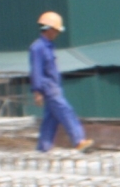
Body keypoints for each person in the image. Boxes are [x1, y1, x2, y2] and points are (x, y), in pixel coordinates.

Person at [28, 12, 88, 153]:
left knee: (51, 119)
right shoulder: (37, 47)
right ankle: (78, 140)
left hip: (54, 87)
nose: (57, 34)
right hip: (48, 87)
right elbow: (36, 70)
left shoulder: (49, 46)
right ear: (48, 29)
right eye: (55, 30)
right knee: (66, 111)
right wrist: (37, 91)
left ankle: (43, 148)